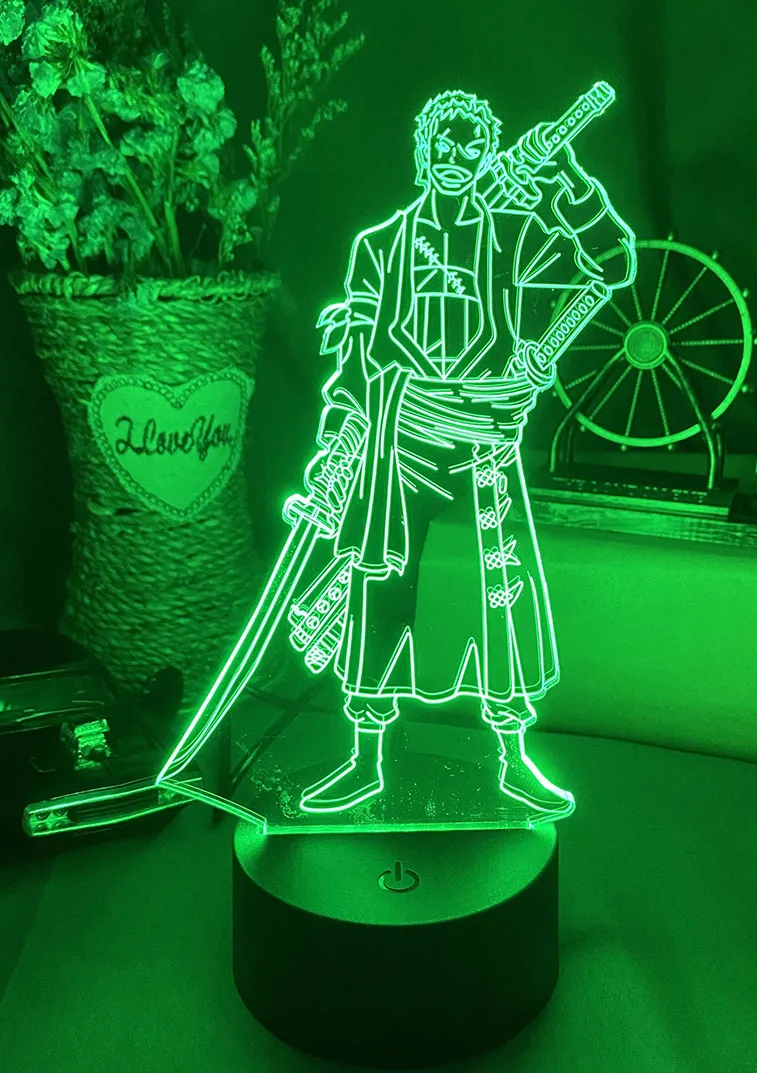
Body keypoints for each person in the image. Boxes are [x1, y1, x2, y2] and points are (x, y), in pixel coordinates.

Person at [290, 88, 636, 816]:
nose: (455, 156)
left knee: (499, 598)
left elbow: (613, 265)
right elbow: (357, 364)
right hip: (400, 442)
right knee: (382, 591)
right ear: (422, 150)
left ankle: (512, 759)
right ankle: (366, 760)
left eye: (470, 144)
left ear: (486, 154)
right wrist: (336, 453)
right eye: (442, 142)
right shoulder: (380, 245)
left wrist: (567, 181)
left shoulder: (514, 236)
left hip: (486, 447)